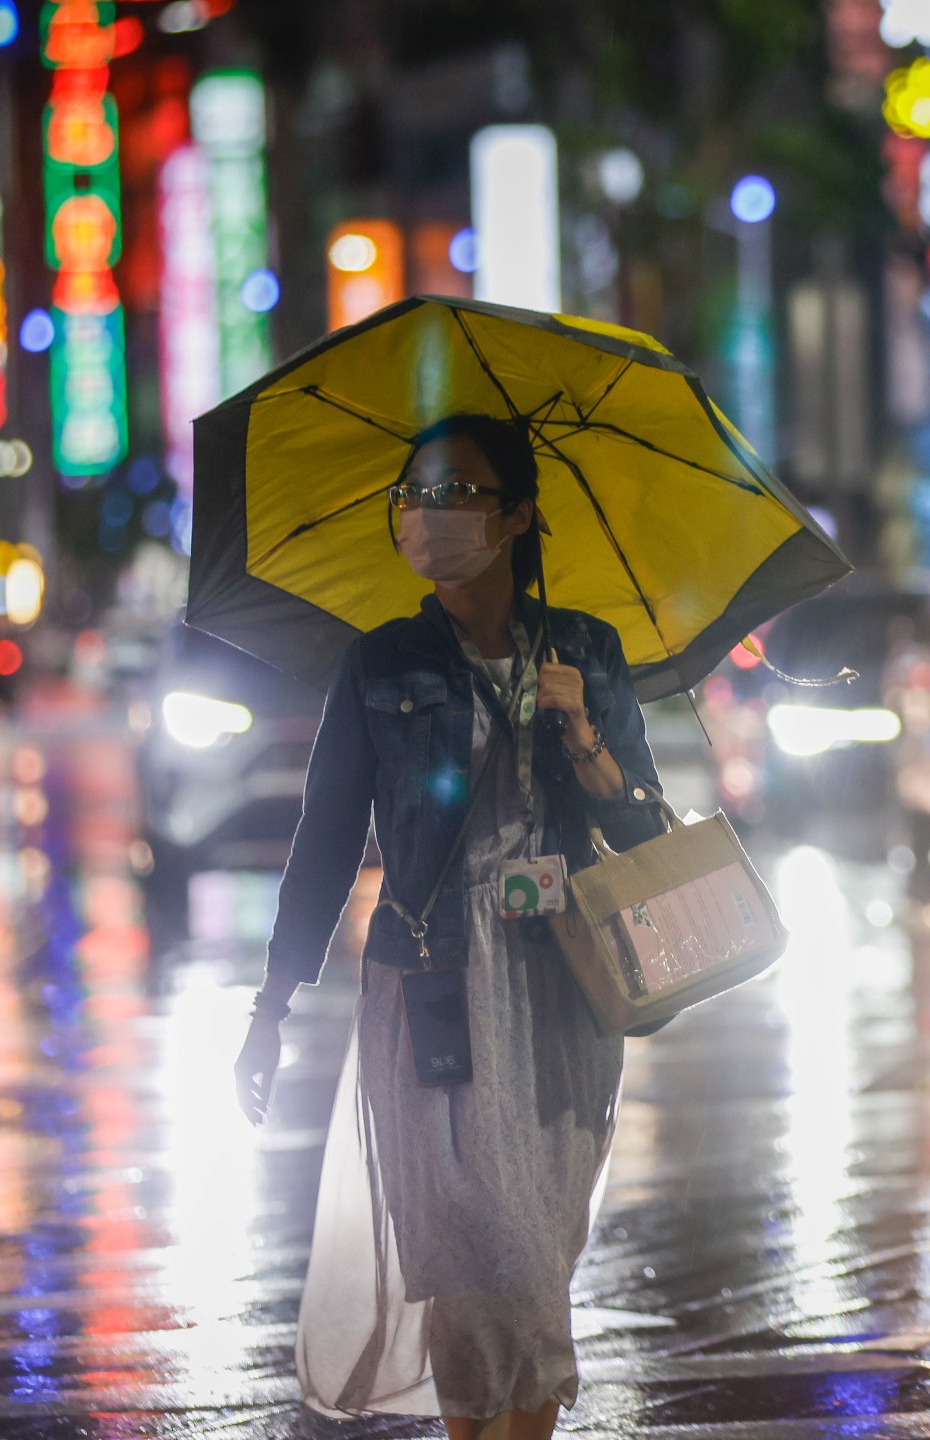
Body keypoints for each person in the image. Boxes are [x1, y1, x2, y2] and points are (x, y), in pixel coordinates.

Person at [234, 413, 666, 1438]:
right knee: (464, 1258)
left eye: (462, 491)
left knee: (525, 1261)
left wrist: (584, 733)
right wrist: (273, 1003)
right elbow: (325, 841)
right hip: (429, 984)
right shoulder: (379, 665)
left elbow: (642, 822)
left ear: (518, 514)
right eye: (418, 494)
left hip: (557, 983)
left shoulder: (585, 652)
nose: (432, 515)